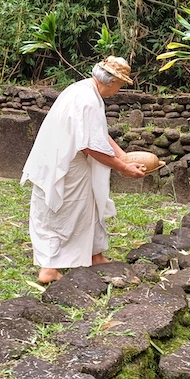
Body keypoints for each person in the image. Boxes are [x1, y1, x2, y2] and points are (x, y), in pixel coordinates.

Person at [20, 56, 147, 284]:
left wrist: (123, 157)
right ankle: (49, 269)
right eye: (120, 85)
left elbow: (97, 133)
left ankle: (94, 255)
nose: (119, 90)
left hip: (65, 159)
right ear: (111, 81)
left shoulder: (83, 89)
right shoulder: (88, 99)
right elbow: (90, 146)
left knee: (90, 206)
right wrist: (122, 168)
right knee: (64, 211)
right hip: (67, 164)